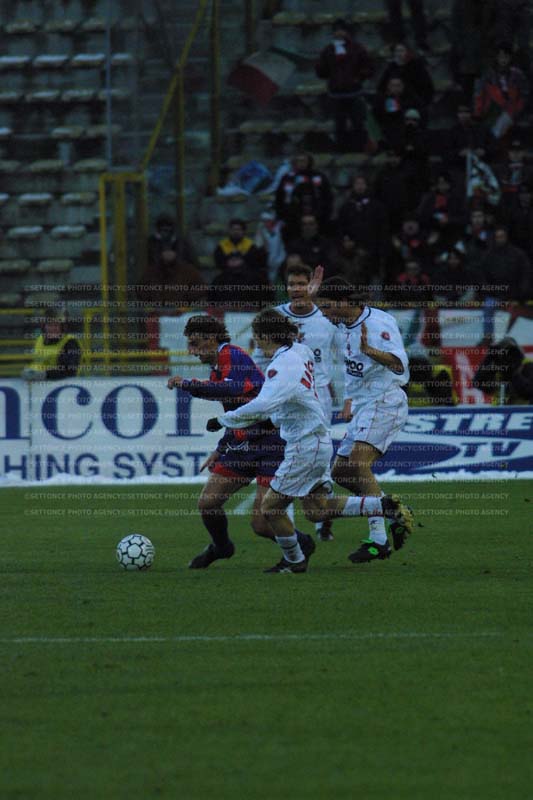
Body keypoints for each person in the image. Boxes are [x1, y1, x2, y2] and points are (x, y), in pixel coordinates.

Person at [207, 309, 413, 572]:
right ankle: (384, 505)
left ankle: (294, 561)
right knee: (318, 510)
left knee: (270, 508)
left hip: (304, 446)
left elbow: (263, 404)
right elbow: (290, 397)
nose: (256, 343)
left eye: (257, 337)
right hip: (315, 441)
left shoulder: (281, 366)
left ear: (265, 337)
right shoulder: (299, 352)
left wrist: (223, 420)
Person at [167, 314, 316, 569]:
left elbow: (232, 389)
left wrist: (188, 384)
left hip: (270, 444)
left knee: (261, 524)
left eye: (195, 343)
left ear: (211, 338)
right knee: (208, 503)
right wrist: (221, 448)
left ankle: (301, 543)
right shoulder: (219, 366)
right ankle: (222, 547)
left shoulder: (231, 354)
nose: (191, 351)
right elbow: (237, 411)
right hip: (243, 445)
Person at [314, 275, 413, 563]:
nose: (324, 314)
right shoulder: (344, 325)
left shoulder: (378, 323)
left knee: (359, 464)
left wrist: (372, 351)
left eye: (327, 307)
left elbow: (400, 365)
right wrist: (349, 399)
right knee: (341, 474)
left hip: (385, 400)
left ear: (343, 302)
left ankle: (379, 540)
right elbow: (353, 368)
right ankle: (390, 509)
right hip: (363, 405)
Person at [252, 262, 345, 541]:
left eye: (301, 283)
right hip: (285, 395)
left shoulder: (327, 319)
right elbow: (258, 358)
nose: (296, 289)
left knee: (315, 454)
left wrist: (349, 398)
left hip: (318, 396)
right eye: (291, 284)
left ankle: (322, 514)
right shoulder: (275, 317)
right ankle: (290, 522)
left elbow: (343, 357)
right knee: (287, 454)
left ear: (311, 286)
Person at [315, 18, 374, 153]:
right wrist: (323, 68)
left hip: (354, 93)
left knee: (358, 123)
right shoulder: (328, 50)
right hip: (336, 94)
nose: (339, 33)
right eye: (336, 31)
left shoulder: (357, 48)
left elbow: (369, 67)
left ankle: (361, 149)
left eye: (342, 30)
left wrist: (358, 78)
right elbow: (321, 72)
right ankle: (342, 150)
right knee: (339, 125)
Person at [336, 174, 390, 280]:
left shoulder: (377, 206)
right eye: (357, 184)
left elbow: (383, 229)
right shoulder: (346, 207)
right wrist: (345, 241)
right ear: (353, 186)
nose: (360, 186)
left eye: (362, 183)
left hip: (373, 251)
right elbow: (341, 227)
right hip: (352, 252)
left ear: (367, 186)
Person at [210, 218, 272, 310]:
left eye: (238, 229)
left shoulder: (250, 245)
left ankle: (256, 307)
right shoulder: (222, 245)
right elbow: (219, 261)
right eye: (233, 229)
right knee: (217, 283)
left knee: (260, 281)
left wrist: (243, 262)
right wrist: (229, 263)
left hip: (247, 274)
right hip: (227, 274)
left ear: (243, 231)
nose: (236, 232)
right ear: (229, 231)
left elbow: (255, 261)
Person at [473, 42, 529, 143]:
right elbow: (479, 94)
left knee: (499, 131)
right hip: (492, 109)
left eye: (506, 57)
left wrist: (518, 108)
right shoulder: (488, 75)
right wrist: (478, 112)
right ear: (496, 58)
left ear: (510, 58)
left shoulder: (517, 75)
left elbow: (525, 94)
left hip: (513, 110)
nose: (503, 60)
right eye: (501, 57)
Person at [274, 153, 333, 241]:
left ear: (309, 161)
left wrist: (322, 215)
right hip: (293, 222)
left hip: (318, 220)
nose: (301, 163)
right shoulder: (288, 178)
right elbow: (279, 199)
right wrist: (283, 217)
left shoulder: (319, 177)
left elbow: (328, 197)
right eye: (298, 160)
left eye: (303, 160)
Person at [22, 310, 82, 381]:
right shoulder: (40, 339)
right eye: (49, 325)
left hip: (64, 385)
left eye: (56, 325)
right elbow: (36, 362)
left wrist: (45, 374)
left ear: (63, 327)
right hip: (39, 384)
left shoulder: (70, 342)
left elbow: (69, 371)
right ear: (44, 326)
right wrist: (30, 371)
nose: (52, 329)